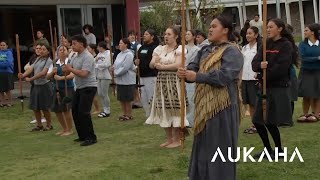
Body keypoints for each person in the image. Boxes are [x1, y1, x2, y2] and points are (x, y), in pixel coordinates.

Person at [178, 15, 243, 180]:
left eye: (214, 26)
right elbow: (193, 66)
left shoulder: (232, 51)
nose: (210, 29)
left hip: (223, 107)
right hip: (204, 105)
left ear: (225, 30)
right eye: (210, 26)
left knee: (220, 146)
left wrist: (197, 76)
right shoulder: (205, 49)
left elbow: (224, 77)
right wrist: (185, 72)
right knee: (204, 145)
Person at [252, 18, 293, 158]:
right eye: (267, 27)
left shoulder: (286, 45)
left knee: (270, 121)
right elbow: (255, 62)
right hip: (264, 87)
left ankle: (279, 150)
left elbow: (281, 68)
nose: (268, 29)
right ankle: (268, 149)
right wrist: (259, 66)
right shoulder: (265, 44)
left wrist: (264, 73)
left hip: (277, 86)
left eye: (271, 27)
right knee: (257, 120)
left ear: (280, 29)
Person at [146, 27, 189, 148]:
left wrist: (161, 66)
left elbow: (178, 64)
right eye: (165, 34)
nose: (166, 36)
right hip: (161, 82)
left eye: (169, 34)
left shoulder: (180, 49)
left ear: (176, 36)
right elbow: (151, 64)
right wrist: (155, 62)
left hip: (174, 82)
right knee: (164, 108)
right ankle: (169, 139)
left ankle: (178, 139)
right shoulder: (159, 49)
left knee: (175, 109)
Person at [63, 35, 97, 146]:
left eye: (74, 43)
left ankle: (91, 137)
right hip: (79, 87)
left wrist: (70, 69)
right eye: (72, 44)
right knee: (75, 111)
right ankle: (82, 135)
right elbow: (69, 70)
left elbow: (84, 73)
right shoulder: (75, 57)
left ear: (82, 44)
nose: (72, 46)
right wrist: (65, 68)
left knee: (84, 112)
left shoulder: (88, 56)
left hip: (89, 87)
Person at [19, 44, 53, 131]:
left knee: (45, 107)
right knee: (35, 107)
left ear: (48, 51)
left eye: (43, 49)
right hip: (36, 86)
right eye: (40, 49)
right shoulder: (38, 59)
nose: (41, 51)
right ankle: (39, 125)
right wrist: (23, 75)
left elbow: (43, 73)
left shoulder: (49, 61)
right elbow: (31, 68)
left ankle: (49, 125)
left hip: (44, 86)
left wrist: (31, 78)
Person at [47, 45, 74, 136]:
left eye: (64, 50)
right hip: (56, 88)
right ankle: (64, 128)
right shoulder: (55, 63)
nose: (62, 51)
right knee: (57, 110)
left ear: (67, 52)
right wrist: (52, 72)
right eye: (60, 50)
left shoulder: (70, 62)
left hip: (67, 88)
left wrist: (62, 78)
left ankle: (70, 129)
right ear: (57, 52)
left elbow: (73, 75)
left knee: (66, 109)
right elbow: (47, 77)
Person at [297, 23, 320, 122]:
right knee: (306, 94)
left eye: (306, 30)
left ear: (312, 32)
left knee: (317, 94)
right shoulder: (302, 44)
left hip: (318, 72)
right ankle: (305, 114)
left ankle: (316, 114)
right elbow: (303, 58)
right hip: (305, 71)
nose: (304, 32)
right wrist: (317, 58)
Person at [135, 29, 159, 117]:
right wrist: (136, 62)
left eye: (146, 34)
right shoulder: (141, 48)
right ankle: (148, 115)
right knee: (143, 97)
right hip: (141, 75)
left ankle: (155, 115)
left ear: (152, 36)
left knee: (151, 96)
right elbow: (138, 58)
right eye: (144, 34)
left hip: (151, 75)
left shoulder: (155, 48)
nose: (144, 36)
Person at [242, 26, 261, 134]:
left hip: (255, 78)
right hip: (245, 78)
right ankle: (254, 124)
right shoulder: (244, 48)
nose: (248, 35)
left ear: (256, 35)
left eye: (250, 33)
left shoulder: (259, 47)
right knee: (249, 103)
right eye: (247, 33)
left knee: (257, 102)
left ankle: (260, 123)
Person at [112, 38, 136, 120]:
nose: (119, 45)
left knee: (127, 99)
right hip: (120, 80)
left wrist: (116, 73)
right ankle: (124, 113)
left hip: (128, 79)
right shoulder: (119, 54)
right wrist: (114, 69)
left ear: (126, 44)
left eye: (121, 43)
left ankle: (129, 114)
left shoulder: (129, 54)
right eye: (119, 43)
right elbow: (115, 64)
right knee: (121, 98)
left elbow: (125, 67)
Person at [185, 30, 200, 127]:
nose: (186, 36)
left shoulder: (197, 50)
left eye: (188, 34)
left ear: (194, 36)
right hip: (181, 74)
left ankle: (191, 120)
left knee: (191, 99)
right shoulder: (181, 48)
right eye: (185, 34)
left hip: (191, 75)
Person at [95, 41, 112, 118]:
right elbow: (94, 62)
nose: (97, 48)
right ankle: (104, 109)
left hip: (106, 75)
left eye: (98, 47)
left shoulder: (108, 53)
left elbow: (107, 64)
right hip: (99, 75)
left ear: (101, 47)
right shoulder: (99, 54)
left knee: (104, 93)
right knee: (100, 93)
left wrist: (97, 65)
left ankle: (107, 110)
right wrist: (97, 65)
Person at [128, 30, 143, 109]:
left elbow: (140, 56)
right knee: (131, 85)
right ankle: (134, 100)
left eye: (133, 35)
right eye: (130, 35)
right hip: (128, 67)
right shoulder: (127, 45)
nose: (132, 36)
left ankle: (138, 100)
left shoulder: (138, 45)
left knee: (135, 84)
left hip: (135, 67)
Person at [87, 44, 101, 115]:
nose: (87, 50)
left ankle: (97, 108)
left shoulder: (96, 57)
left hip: (95, 77)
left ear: (93, 49)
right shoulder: (89, 57)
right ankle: (94, 108)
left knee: (93, 95)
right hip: (91, 76)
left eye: (89, 48)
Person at [0, 40, 14, 107]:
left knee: (8, 89)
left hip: (7, 72)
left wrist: (1, 64)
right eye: (1, 45)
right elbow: (4, 63)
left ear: (7, 46)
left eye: (3, 45)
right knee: (1, 89)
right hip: (0, 73)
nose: (2, 46)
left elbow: (8, 63)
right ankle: (2, 102)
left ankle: (10, 102)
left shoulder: (9, 53)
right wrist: (2, 64)